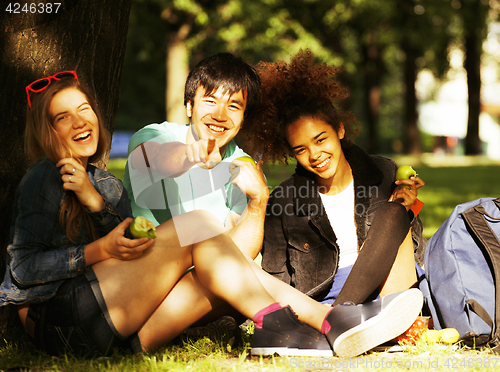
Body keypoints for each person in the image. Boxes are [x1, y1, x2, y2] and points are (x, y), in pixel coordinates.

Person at [0, 71, 424, 359]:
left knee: (215, 266)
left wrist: (97, 205)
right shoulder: (44, 178)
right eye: (63, 116)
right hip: (55, 322)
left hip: (117, 330)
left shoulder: (104, 185)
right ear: (47, 129)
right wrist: (97, 249)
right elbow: (21, 269)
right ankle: (313, 321)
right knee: (199, 227)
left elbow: (127, 258)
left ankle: (314, 325)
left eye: (84, 109)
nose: (79, 121)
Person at [244, 50, 427, 307]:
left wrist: (409, 208)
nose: (315, 155)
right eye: (301, 149)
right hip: (325, 301)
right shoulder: (283, 201)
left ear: (339, 129)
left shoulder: (384, 172)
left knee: (394, 213)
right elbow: (277, 279)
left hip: (388, 286)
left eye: (321, 140)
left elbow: (415, 251)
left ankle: (344, 320)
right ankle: (343, 318)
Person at [123, 53, 267, 259]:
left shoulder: (244, 168)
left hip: (208, 278)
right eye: (210, 101)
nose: (220, 115)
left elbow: (240, 256)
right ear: (190, 106)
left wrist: (259, 199)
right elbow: (156, 158)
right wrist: (191, 154)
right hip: (150, 267)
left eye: (233, 106)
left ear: (243, 119)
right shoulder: (154, 136)